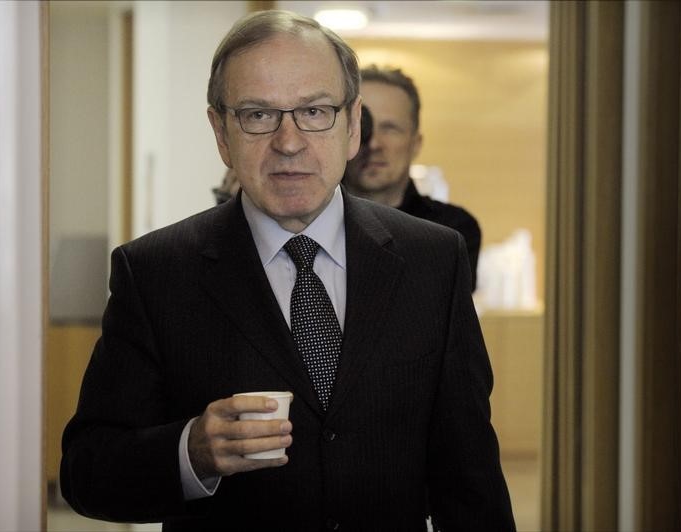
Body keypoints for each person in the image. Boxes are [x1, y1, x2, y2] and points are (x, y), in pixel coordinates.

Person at [60, 10, 514, 531]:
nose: (289, 141)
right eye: (257, 115)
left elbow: (471, 477)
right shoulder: (156, 273)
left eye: (315, 111)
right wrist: (192, 451)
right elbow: (86, 473)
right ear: (221, 132)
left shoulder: (432, 260)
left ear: (352, 127)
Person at [343, 65, 482, 291]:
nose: (374, 143)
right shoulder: (309, 221)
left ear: (416, 143)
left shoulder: (451, 232)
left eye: (390, 128)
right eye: (363, 126)